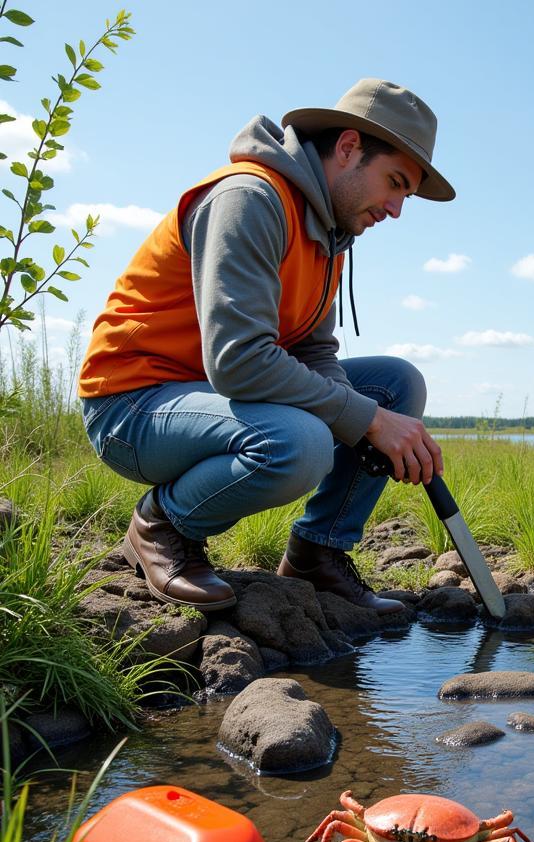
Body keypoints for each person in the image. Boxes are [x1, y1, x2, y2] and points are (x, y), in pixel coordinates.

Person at [78, 79, 452, 613]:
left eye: (405, 195)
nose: (395, 209)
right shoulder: (249, 199)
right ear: (348, 148)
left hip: (206, 395)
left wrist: (369, 415)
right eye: (393, 183)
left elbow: (314, 350)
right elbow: (239, 361)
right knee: (300, 444)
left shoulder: (327, 229)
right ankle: (162, 525)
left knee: (394, 385)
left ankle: (317, 556)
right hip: (132, 404)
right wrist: (366, 422)